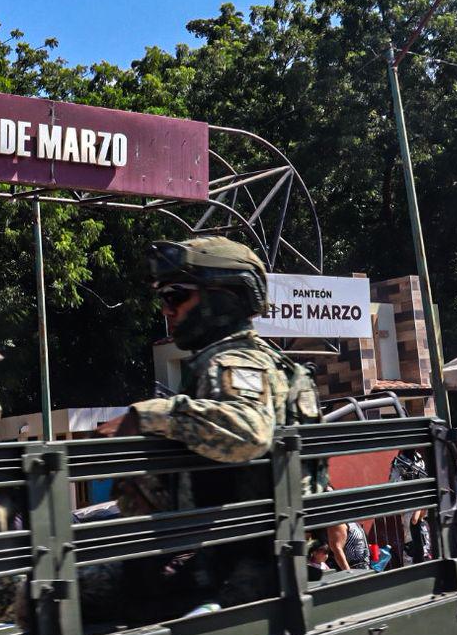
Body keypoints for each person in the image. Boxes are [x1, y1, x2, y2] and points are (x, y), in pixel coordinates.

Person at [96, 237, 323, 615]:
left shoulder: (233, 362)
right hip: (245, 559)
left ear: (225, 296)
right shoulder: (263, 360)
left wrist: (148, 416)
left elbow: (251, 431)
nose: (167, 310)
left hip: (222, 570)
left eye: (176, 296)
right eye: (164, 299)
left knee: (47, 593)